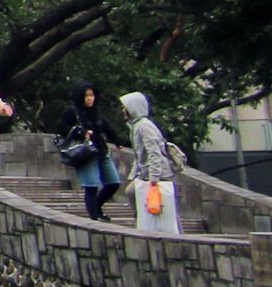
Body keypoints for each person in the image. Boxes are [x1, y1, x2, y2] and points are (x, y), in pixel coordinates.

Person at [120, 91, 185, 235]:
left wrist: (154, 178)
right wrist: (135, 175)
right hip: (147, 173)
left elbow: (154, 153)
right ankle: (143, 223)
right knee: (131, 192)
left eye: (125, 107)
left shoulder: (144, 127)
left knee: (168, 206)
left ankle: (177, 234)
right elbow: (139, 155)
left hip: (160, 173)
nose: (123, 110)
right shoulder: (136, 126)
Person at [61, 86, 121, 221]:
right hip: (84, 152)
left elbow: (106, 127)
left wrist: (117, 141)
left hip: (100, 150)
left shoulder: (96, 112)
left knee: (113, 183)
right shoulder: (73, 111)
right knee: (91, 186)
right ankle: (94, 217)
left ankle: (97, 207)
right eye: (87, 96)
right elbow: (62, 129)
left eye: (92, 95)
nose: (90, 99)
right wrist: (82, 133)